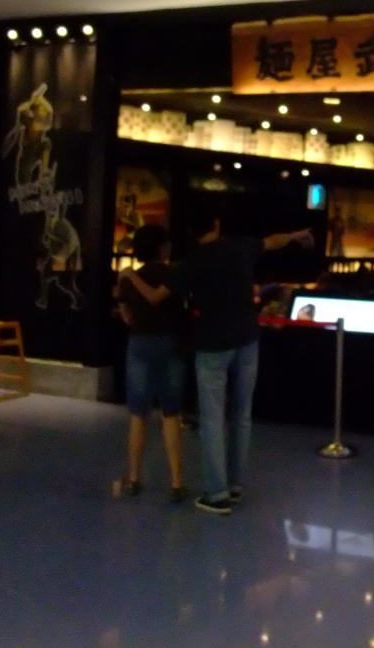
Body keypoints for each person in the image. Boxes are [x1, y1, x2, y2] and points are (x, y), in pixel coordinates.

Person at [124, 206, 314, 515]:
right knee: (242, 415)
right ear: (216, 224)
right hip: (247, 339)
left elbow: (156, 297)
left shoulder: (190, 263)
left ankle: (217, 494)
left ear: (191, 233)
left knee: (212, 420)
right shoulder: (240, 246)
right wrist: (295, 235)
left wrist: (131, 275)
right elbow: (273, 240)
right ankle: (236, 485)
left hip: (212, 345)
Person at [113, 225, 187, 502]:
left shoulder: (131, 278)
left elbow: (125, 313)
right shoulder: (174, 275)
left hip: (140, 344)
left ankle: (133, 478)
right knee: (171, 413)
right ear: (161, 247)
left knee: (138, 413)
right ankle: (176, 483)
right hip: (170, 344)